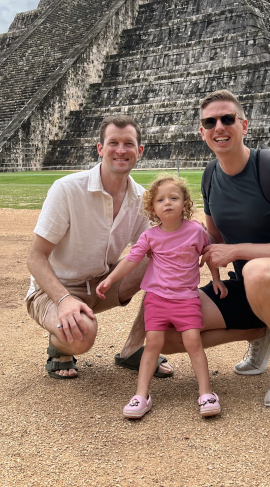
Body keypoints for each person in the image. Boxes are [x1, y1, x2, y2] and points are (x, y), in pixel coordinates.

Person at [153, 89, 270, 408]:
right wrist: (211, 273)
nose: (219, 126)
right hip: (247, 288)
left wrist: (237, 253)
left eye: (227, 119)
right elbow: (215, 240)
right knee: (167, 328)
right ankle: (264, 330)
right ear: (202, 131)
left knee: (256, 271)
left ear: (244, 125)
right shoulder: (209, 176)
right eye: (210, 121)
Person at [25, 114, 173, 380]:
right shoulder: (68, 189)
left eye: (128, 143)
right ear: (100, 149)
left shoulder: (140, 198)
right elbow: (35, 257)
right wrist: (63, 299)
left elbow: (160, 245)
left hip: (103, 283)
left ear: (139, 151)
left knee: (164, 255)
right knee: (82, 336)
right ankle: (60, 347)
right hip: (56, 288)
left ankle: (133, 349)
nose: (120, 150)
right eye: (113, 143)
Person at [96, 175, 225, 418]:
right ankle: (141, 396)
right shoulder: (150, 237)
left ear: (184, 204)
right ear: (152, 208)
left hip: (186, 299)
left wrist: (216, 279)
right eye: (161, 200)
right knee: (152, 344)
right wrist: (110, 279)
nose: (167, 203)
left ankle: (206, 393)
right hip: (156, 299)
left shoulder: (196, 231)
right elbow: (132, 260)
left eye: (174, 198)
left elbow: (208, 254)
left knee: (193, 343)